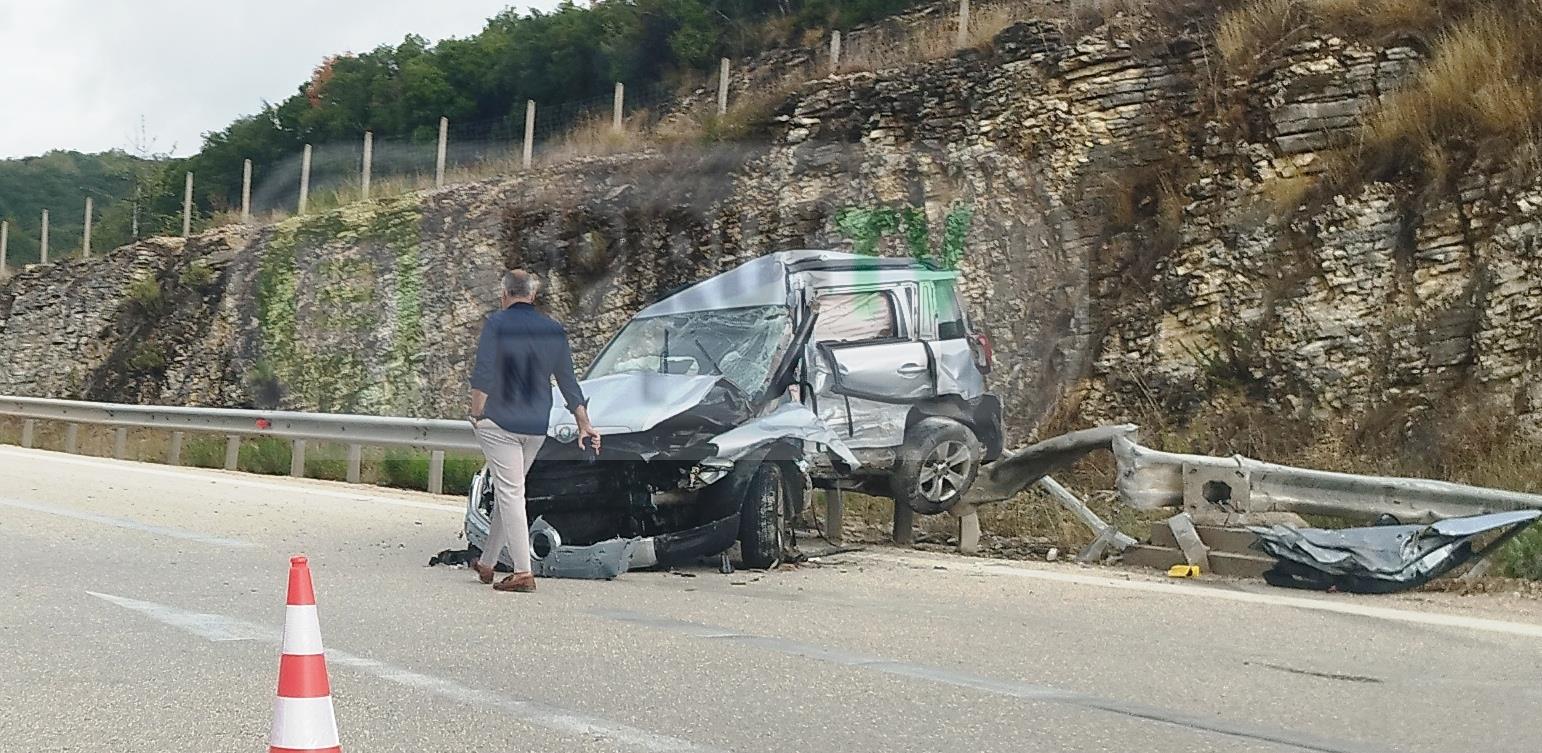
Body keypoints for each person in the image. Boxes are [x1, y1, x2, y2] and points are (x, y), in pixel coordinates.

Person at [466, 270, 600, 593]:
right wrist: (584, 423)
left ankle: (523, 571)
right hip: (537, 426)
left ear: (504, 295)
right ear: (533, 295)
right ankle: (487, 563)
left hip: (501, 423)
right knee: (508, 490)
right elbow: (567, 381)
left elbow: (483, 373)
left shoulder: (497, 324)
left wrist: (475, 412)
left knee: (511, 492)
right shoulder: (553, 330)